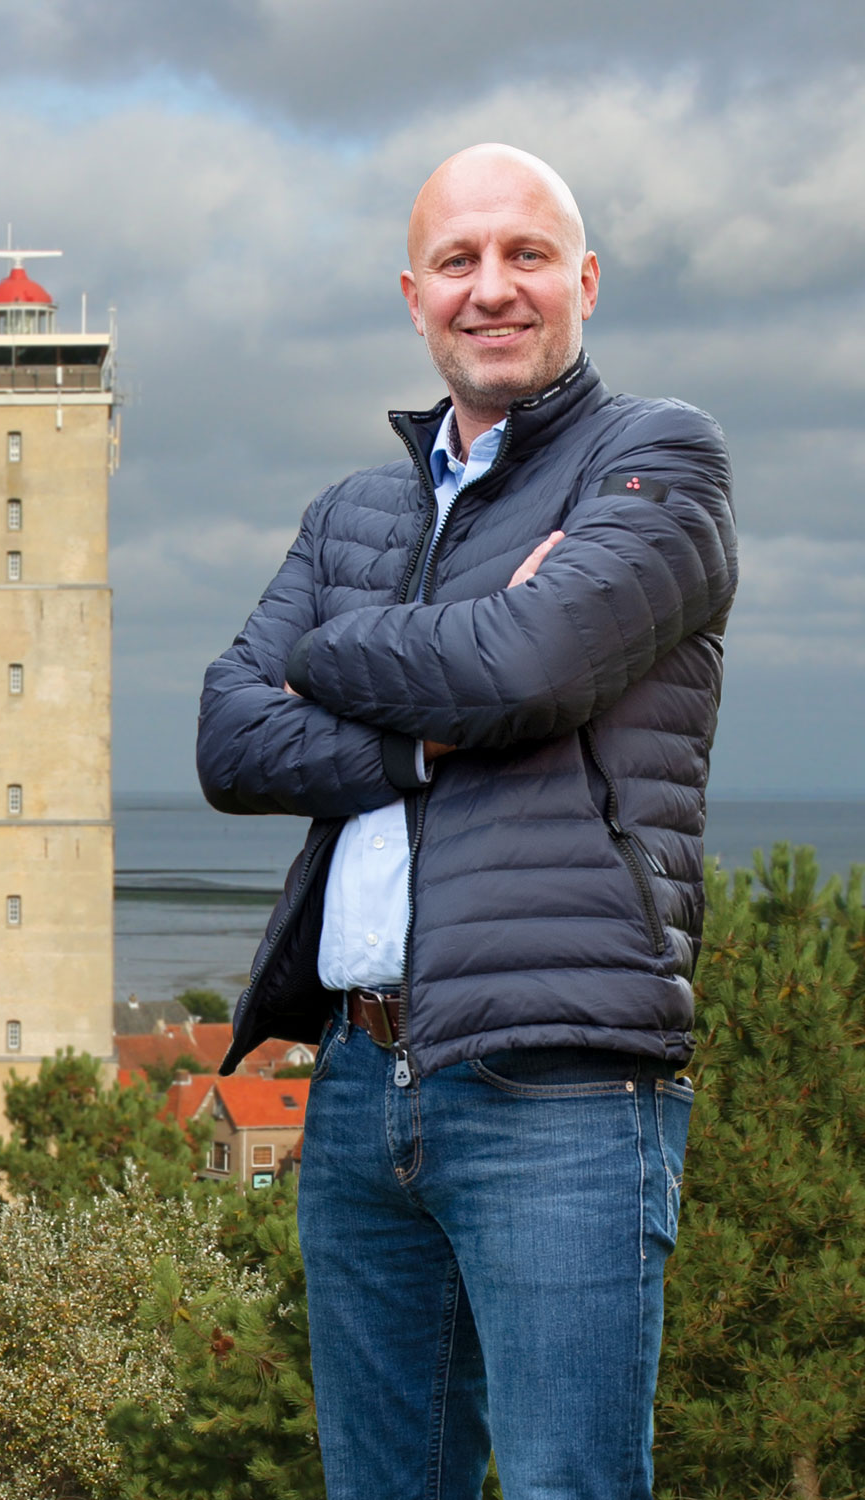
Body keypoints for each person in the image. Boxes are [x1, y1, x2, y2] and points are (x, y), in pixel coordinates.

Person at [197, 143, 736, 1500]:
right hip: (363, 1078)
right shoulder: (356, 509)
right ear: (413, 294)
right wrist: (437, 709)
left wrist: (333, 651)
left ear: (586, 282)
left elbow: (530, 668)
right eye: (459, 262)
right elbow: (228, 736)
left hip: (562, 1079)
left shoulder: (659, 457)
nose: (492, 289)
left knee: (570, 1485)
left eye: (527, 256)